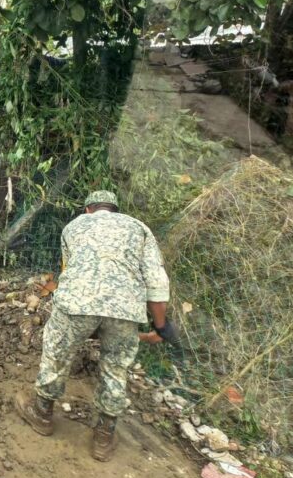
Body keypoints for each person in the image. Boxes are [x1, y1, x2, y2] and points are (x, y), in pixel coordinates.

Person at [15, 190, 179, 461]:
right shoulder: (139, 228)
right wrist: (161, 326)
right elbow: (157, 282)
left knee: (57, 353)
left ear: (88, 209)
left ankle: (42, 413)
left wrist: (84, 322)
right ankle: (104, 436)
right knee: (116, 367)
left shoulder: (74, 226)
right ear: (115, 210)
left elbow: (70, 271)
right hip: (125, 309)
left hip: (77, 303)